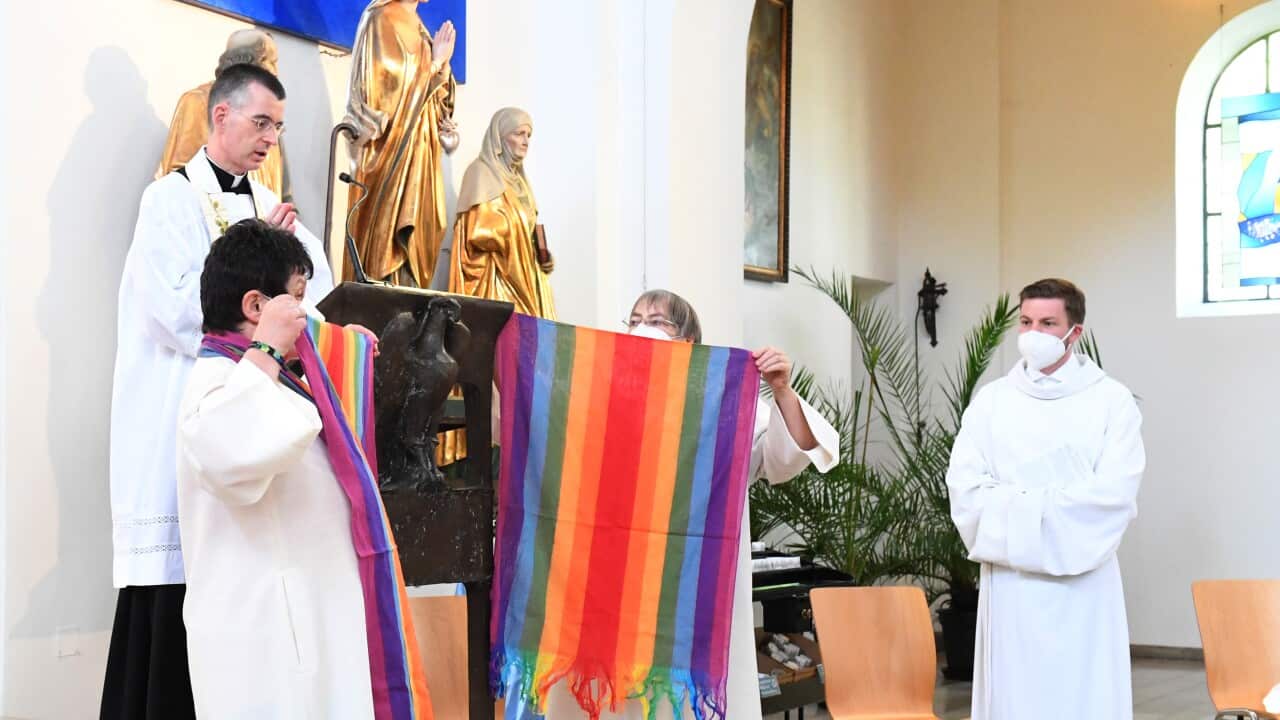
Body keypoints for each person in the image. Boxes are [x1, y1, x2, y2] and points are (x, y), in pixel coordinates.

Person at [102, 64, 332, 720]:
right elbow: (172, 312)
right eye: (261, 122)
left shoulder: (269, 206)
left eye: (279, 129)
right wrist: (260, 314)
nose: (270, 140)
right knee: (171, 606)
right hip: (184, 411)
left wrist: (291, 260)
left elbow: (318, 299)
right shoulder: (168, 200)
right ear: (220, 116)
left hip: (253, 428)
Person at [534, 289, 839, 720]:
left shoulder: (722, 403)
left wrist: (782, 390)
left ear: (688, 342)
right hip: (612, 592)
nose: (641, 328)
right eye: (634, 319)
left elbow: (786, 456)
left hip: (691, 593)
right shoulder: (601, 400)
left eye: (658, 321)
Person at [176, 220, 374, 718]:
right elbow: (227, 451)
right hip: (269, 632)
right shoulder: (216, 379)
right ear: (256, 307)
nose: (306, 315)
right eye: (297, 300)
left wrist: (338, 357)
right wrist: (268, 349)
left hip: (313, 616)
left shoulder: (268, 377)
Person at [946, 278, 1145, 720]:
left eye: (1048, 323)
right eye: (1026, 321)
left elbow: (1112, 496)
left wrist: (1013, 508)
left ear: (1075, 332)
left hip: (1083, 590)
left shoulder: (1111, 402)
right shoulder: (992, 402)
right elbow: (964, 487)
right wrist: (1050, 509)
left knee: (1083, 698)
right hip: (1013, 591)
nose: (1034, 333)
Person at [344, 0, 458, 287]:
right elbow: (383, 89)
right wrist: (433, 64)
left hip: (420, 151)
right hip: (389, 152)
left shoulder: (419, 26)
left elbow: (433, 95)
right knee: (389, 239)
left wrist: (441, 71)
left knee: (426, 228)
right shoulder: (381, 18)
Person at [156, 29, 289, 200]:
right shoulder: (198, 101)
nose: (276, 71)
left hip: (263, 217)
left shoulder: (272, 120)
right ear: (247, 61)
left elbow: (282, 191)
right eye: (270, 61)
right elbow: (179, 171)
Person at [450, 107, 556, 319]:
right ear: (500, 138)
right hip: (495, 281)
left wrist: (541, 254)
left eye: (528, 135)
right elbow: (476, 233)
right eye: (519, 134)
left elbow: (527, 232)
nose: (526, 141)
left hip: (528, 281)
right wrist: (511, 232)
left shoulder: (520, 182)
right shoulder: (480, 172)